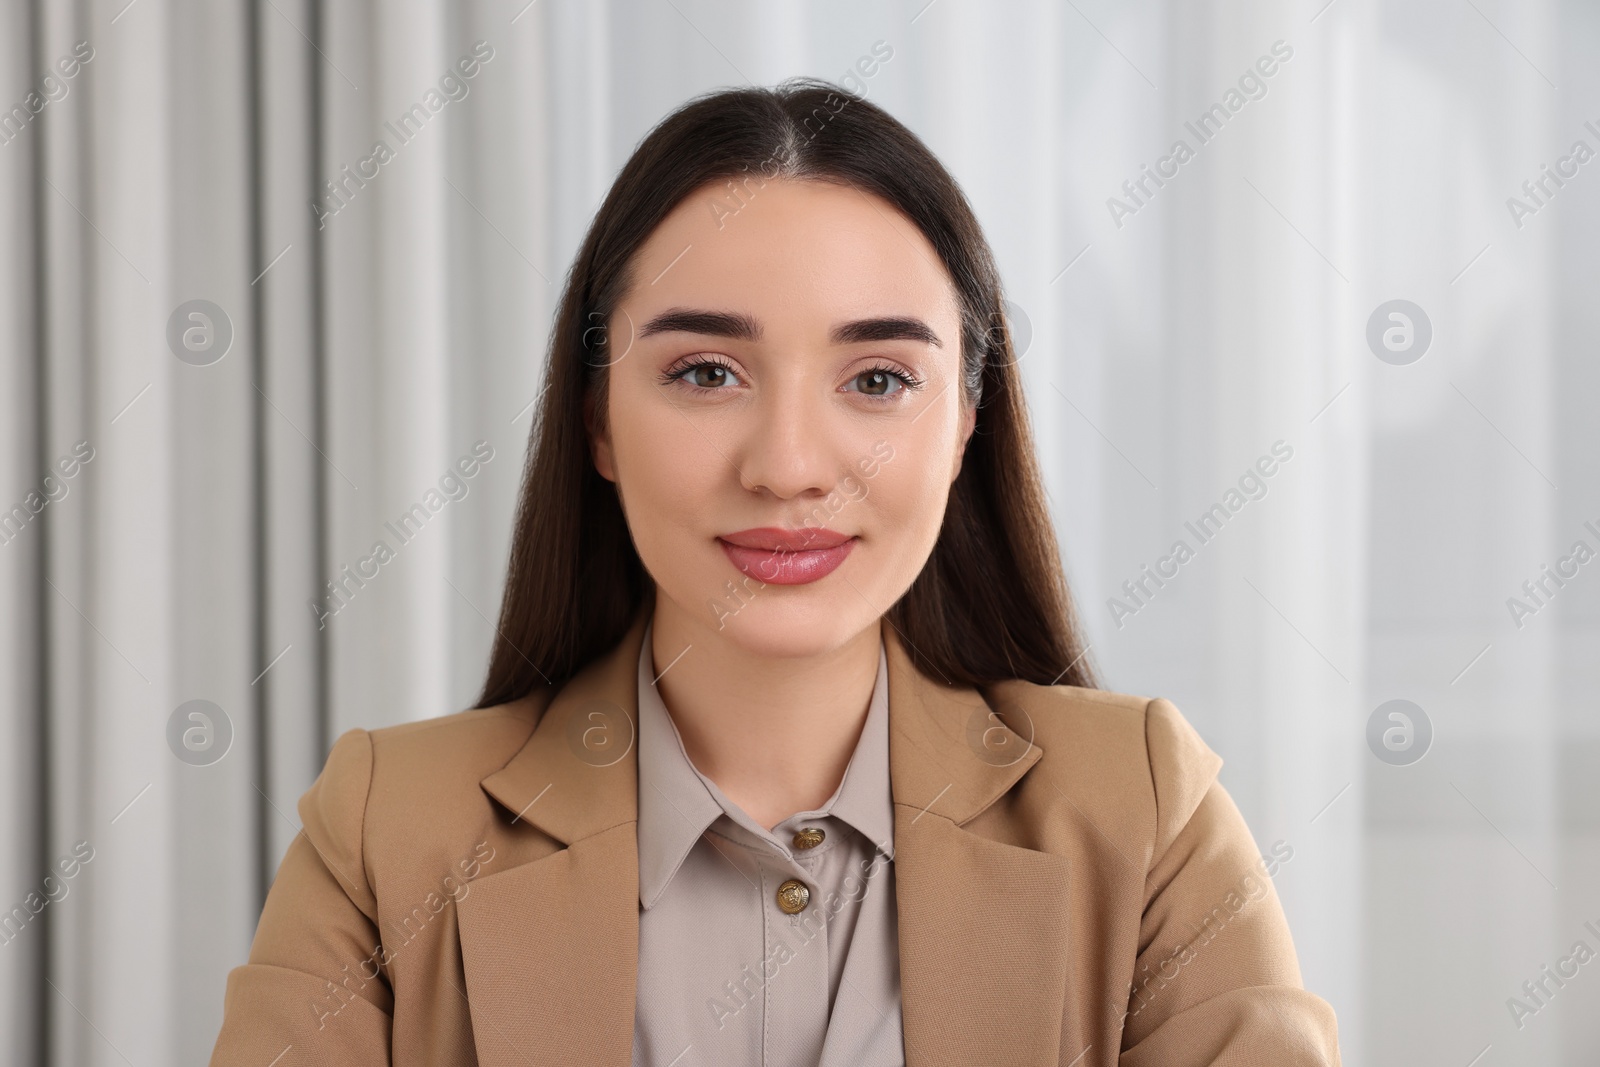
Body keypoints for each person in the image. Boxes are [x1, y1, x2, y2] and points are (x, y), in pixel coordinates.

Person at [209, 77, 1341, 1066]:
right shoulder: (383, 831)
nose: (790, 466)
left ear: (965, 425)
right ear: (597, 419)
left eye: (879, 379)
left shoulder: (1141, 812)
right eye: (705, 371)